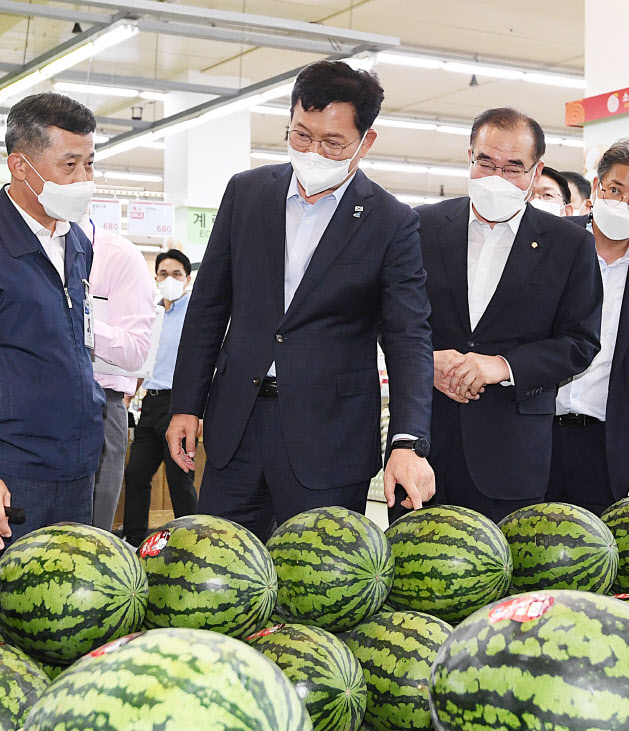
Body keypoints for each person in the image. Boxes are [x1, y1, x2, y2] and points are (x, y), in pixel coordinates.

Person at [166, 60, 434, 542]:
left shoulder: (391, 222)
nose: (313, 152)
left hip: (329, 438)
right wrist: (186, 402)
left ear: (365, 142)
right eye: (301, 135)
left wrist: (409, 440)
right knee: (213, 569)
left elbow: (408, 336)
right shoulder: (247, 194)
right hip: (237, 426)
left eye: (332, 143)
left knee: (319, 584)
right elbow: (208, 307)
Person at [393, 107, 602, 523]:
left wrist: (502, 365)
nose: (496, 177)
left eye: (513, 167)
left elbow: (581, 342)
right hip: (423, 444)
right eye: (485, 162)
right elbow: (389, 318)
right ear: (469, 156)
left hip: (512, 452)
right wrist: (424, 361)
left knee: (505, 575)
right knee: (412, 573)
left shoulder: (569, 244)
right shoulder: (418, 226)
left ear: (536, 169)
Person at [0, 93, 104, 550]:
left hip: (77, 469)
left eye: (90, 164)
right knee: (5, 613)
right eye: (69, 165)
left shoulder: (77, 242)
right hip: (7, 476)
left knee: (71, 608)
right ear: (20, 166)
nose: (84, 179)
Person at [547, 139, 629, 515]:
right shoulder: (550, 244)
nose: (623, 203)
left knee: (594, 564)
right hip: (533, 433)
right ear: (596, 188)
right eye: (616, 189)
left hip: (607, 448)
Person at [79, 211, 156, 532]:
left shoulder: (119, 256)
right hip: (34, 400)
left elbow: (137, 350)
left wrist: (80, 325)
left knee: (96, 519)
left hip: (103, 400)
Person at [122, 249, 198, 547]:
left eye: (177, 274)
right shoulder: (152, 315)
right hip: (150, 404)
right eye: (164, 274)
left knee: (180, 480)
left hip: (180, 405)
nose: (170, 280)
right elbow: (144, 360)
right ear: (156, 278)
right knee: (136, 474)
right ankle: (134, 539)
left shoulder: (195, 314)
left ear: (187, 279)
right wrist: (129, 396)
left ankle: (189, 542)